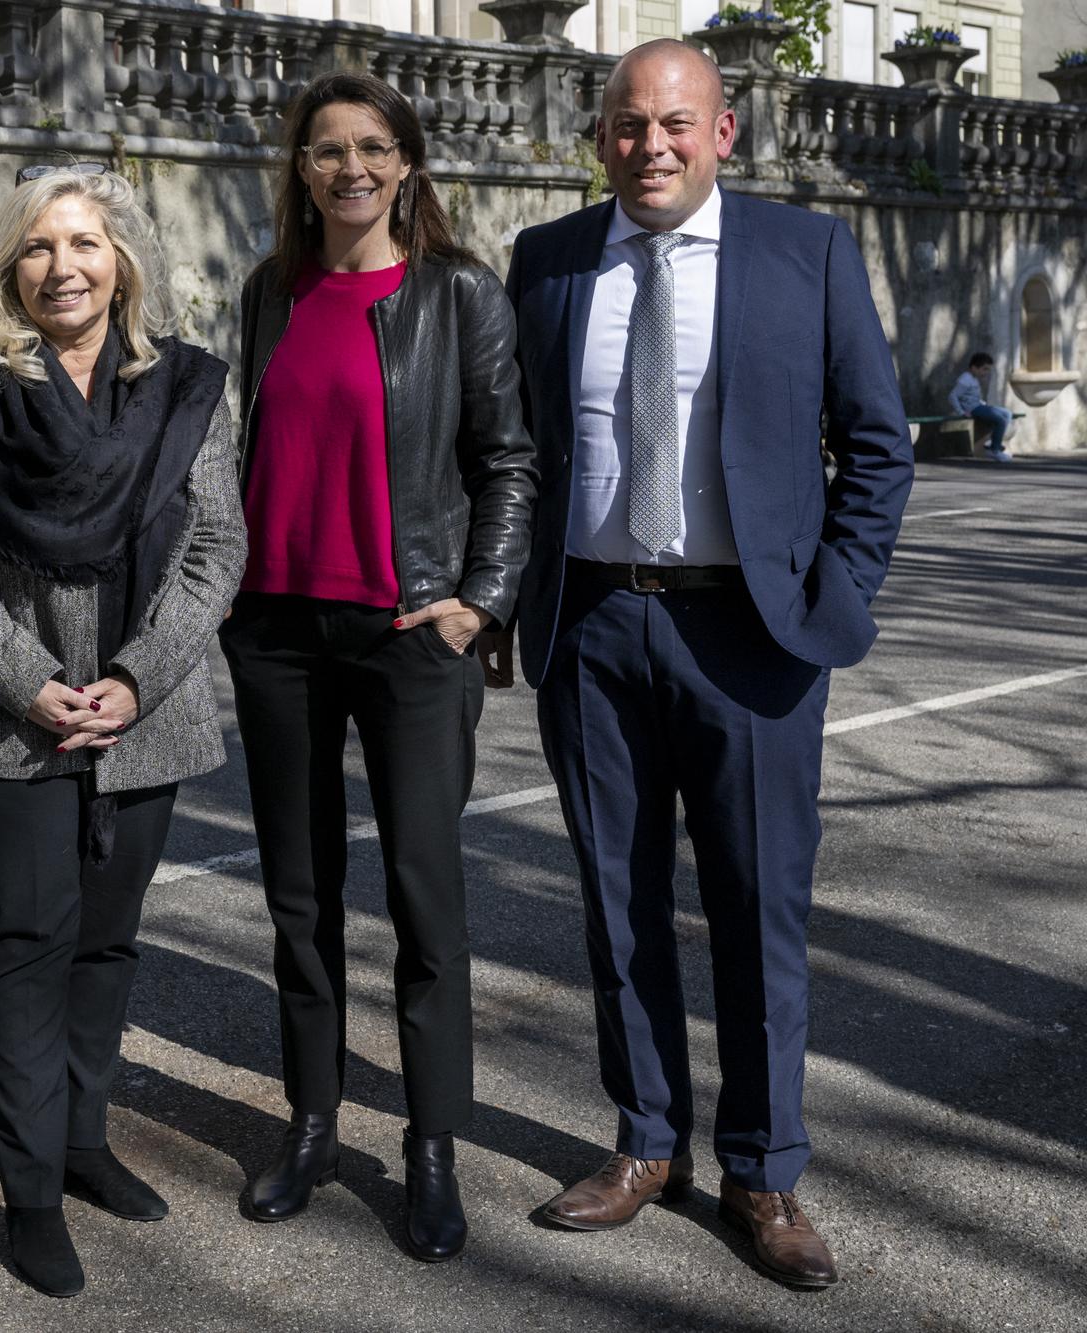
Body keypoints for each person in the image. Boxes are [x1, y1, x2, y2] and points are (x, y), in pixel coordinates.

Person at [493, 39, 912, 1289]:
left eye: (675, 123)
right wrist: (509, 601)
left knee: (756, 907)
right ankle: (642, 1144)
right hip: (596, 626)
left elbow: (876, 450)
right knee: (616, 906)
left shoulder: (806, 255)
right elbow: (511, 450)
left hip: (750, 634)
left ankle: (763, 1169)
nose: (650, 147)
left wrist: (825, 598)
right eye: (627, 126)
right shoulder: (549, 262)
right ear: (599, 137)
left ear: (721, 132)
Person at [0, 165, 245, 1298]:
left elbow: (213, 547)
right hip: (8, 715)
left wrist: (138, 678)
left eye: (85, 245)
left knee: (106, 937)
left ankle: (83, 1136)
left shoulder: (186, 388)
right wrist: (31, 678)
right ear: (10, 265)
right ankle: (30, 1188)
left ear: (122, 260)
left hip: (143, 709)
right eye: (40, 248)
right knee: (24, 939)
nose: (64, 268)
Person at [221, 71, 535, 1264]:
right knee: (297, 904)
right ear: (299, 169)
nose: (347, 168)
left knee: (422, 901)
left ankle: (429, 1148)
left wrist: (479, 604)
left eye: (370, 148)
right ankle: (309, 1124)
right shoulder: (270, 293)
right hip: (278, 635)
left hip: (410, 636)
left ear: (405, 162)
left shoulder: (458, 295)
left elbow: (509, 458)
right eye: (323, 150)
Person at [949, 351, 1012, 460]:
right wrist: (961, 412)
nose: (986, 372)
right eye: (984, 369)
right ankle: (995, 451)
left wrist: (985, 405)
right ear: (974, 367)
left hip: (979, 406)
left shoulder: (974, 379)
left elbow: (973, 397)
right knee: (1001, 420)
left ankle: (993, 442)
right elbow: (952, 396)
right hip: (973, 409)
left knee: (1007, 413)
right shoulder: (965, 380)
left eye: (988, 369)